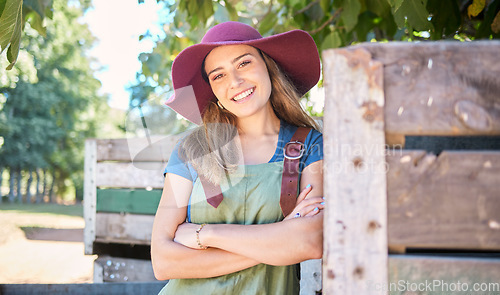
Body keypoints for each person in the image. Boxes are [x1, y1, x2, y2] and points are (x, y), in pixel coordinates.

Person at [151, 21, 324, 294]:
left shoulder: (310, 145)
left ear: (268, 66)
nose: (235, 81)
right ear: (214, 91)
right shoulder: (192, 149)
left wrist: (205, 234)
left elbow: (311, 241)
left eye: (244, 63)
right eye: (218, 76)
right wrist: (281, 240)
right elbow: (162, 261)